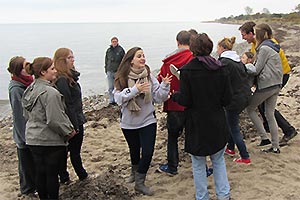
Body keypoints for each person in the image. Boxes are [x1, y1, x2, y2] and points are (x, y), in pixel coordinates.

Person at [172, 33, 231, 200]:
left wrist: (176, 95)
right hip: (216, 121)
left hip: (197, 123)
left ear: (193, 49)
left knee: (198, 164)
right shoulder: (221, 68)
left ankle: (202, 196)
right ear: (210, 48)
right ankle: (223, 195)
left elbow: (186, 100)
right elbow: (227, 99)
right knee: (218, 160)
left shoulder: (188, 71)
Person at [114, 47, 171, 196]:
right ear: (131, 59)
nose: (142, 58)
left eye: (144, 55)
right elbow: (118, 99)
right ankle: (134, 173)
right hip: (128, 122)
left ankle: (140, 182)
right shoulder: (122, 76)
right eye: (139, 56)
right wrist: (135, 90)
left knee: (147, 153)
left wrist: (165, 85)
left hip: (148, 120)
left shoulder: (148, 75)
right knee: (134, 150)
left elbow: (159, 98)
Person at [22, 57, 76, 199]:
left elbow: (26, 114)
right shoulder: (50, 92)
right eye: (52, 68)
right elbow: (55, 119)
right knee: (51, 174)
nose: (55, 71)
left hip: (33, 138)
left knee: (40, 172)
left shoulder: (30, 89)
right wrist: (69, 131)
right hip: (49, 140)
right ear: (43, 72)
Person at [239, 21, 298, 146]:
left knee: (265, 107)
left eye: (244, 35)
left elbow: (263, 66)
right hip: (273, 77)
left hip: (280, 75)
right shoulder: (256, 45)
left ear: (252, 34)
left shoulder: (267, 45)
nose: (243, 38)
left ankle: (287, 130)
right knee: (264, 107)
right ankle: (269, 130)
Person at [156, 30, 193, 175]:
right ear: (190, 42)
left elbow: (160, 81)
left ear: (177, 42)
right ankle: (200, 166)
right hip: (191, 104)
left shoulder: (168, 61)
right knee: (193, 135)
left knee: (172, 137)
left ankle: (172, 166)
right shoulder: (193, 58)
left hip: (174, 103)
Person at [245, 23, 283, 153]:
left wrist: (243, 66)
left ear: (259, 35)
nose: (254, 36)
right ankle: (275, 146)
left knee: (250, 108)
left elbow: (256, 69)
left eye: (255, 34)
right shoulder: (272, 46)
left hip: (267, 85)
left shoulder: (264, 48)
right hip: (276, 83)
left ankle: (264, 137)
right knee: (269, 114)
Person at [53, 48, 88, 184]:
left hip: (77, 117)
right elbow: (67, 104)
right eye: (69, 58)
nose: (73, 60)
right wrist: (74, 125)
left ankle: (70, 175)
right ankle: (76, 176)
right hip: (72, 121)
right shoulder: (62, 80)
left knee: (73, 151)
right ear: (62, 61)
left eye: (73, 57)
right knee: (71, 151)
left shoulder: (70, 76)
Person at [217, 37, 252, 164]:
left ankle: (245, 156)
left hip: (234, 99)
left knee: (233, 127)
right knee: (230, 123)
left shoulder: (225, 62)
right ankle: (230, 148)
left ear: (222, 48)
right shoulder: (237, 61)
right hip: (244, 96)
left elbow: (221, 81)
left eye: (218, 48)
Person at [7, 56, 36, 198]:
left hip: (30, 130)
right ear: (19, 71)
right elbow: (19, 116)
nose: (29, 67)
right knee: (26, 164)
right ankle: (27, 190)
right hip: (24, 134)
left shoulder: (28, 83)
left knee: (32, 163)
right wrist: (25, 137)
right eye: (26, 66)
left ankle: (32, 186)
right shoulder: (16, 89)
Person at [104, 36, 125, 105]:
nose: (114, 43)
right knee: (110, 87)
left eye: (115, 41)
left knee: (118, 86)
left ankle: (117, 100)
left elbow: (124, 61)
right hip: (110, 71)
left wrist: (122, 71)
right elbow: (106, 60)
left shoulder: (120, 50)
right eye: (113, 42)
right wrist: (106, 69)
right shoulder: (108, 50)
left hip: (117, 71)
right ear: (111, 42)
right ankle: (111, 100)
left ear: (117, 42)